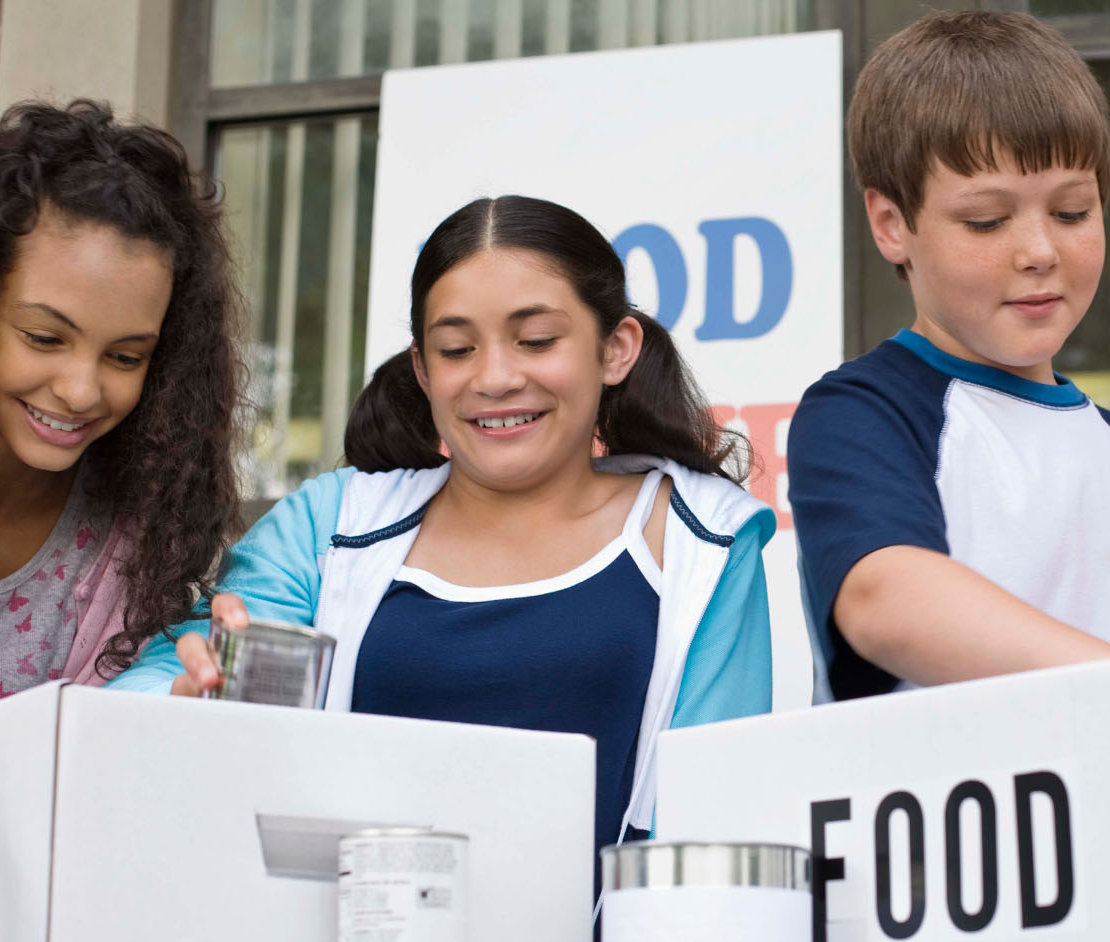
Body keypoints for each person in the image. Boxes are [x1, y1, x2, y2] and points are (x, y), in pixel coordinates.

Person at [111, 194, 775, 856]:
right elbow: (142, 697)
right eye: (457, 350)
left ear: (616, 348)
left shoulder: (702, 538)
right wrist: (183, 698)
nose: (494, 378)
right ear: (423, 369)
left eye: (537, 340)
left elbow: (712, 815)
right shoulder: (329, 525)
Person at [788, 10, 1110, 703]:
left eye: (1072, 212)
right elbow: (885, 601)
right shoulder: (865, 413)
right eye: (986, 220)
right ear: (892, 224)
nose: (1039, 252)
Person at [0, 100, 245, 748]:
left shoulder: (137, 527)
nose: (80, 389)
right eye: (43, 337)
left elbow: (91, 753)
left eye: (125, 356)